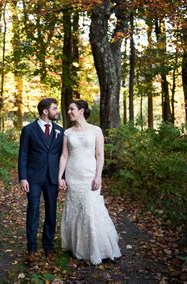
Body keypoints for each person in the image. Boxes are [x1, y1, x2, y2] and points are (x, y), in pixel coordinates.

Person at [58, 100, 121, 265]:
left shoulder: (96, 130)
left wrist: (98, 176)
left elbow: (100, 155)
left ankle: (98, 247)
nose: (69, 111)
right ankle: (77, 246)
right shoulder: (67, 132)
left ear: (81, 111)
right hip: (73, 175)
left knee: (90, 208)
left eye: (72, 109)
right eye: (68, 109)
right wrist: (60, 176)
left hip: (89, 175)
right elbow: (64, 156)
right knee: (76, 209)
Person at [18, 98, 64, 265]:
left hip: (52, 178)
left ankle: (48, 246)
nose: (57, 111)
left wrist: (62, 177)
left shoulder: (60, 131)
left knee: (52, 212)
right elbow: (23, 155)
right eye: (54, 108)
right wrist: (23, 177)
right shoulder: (28, 130)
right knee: (33, 212)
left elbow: (62, 157)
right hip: (33, 178)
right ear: (45, 111)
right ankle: (31, 249)